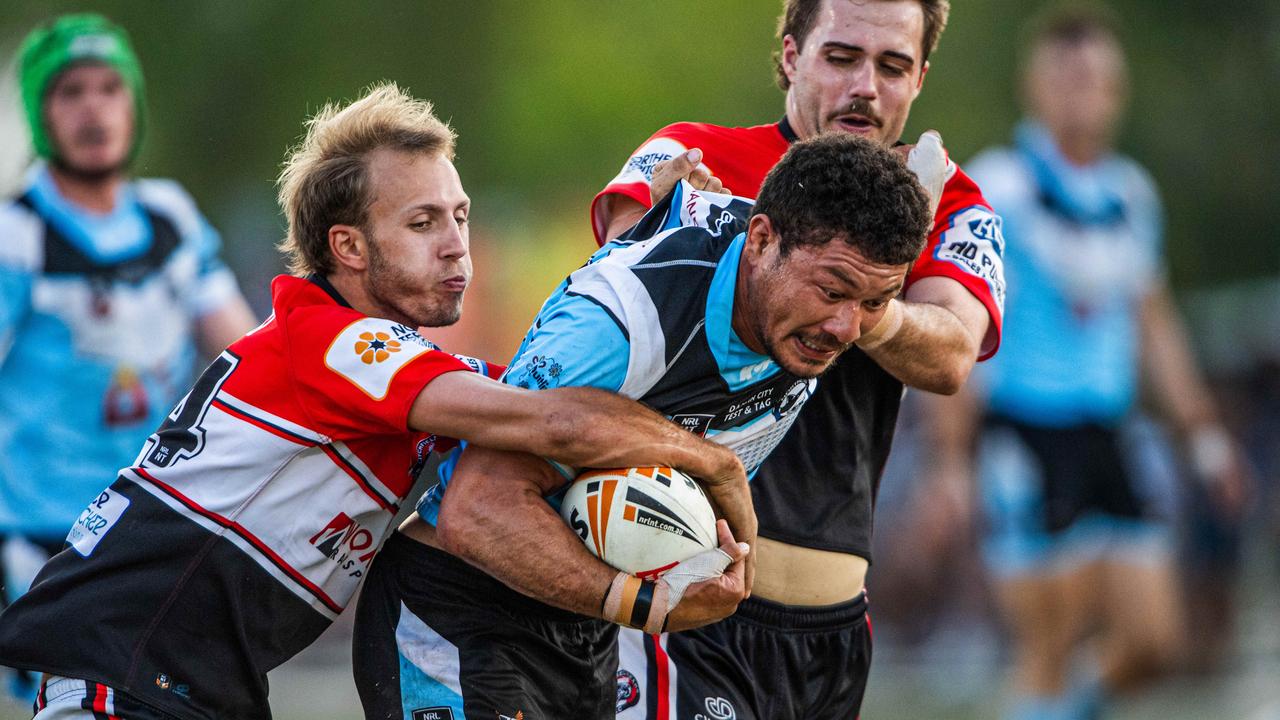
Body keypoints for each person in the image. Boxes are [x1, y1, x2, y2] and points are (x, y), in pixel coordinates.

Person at [0, 82, 758, 720]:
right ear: (349, 248)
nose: (457, 243)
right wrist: (714, 464)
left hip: (181, 686)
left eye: (460, 216)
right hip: (120, 673)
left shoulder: (393, 362)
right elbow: (554, 415)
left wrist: (637, 246)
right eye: (422, 223)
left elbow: (556, 379)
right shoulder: (329, 342)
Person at [351, 133, 934, 719]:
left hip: (589, 632)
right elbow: (474, 510)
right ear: (761, 241)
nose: (845, 328)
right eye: (832, 291)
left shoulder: (802, 312)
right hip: (460, 610)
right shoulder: (623, 319)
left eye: (875, 303)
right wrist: (645, 599)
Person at [589, 1, 1006, 717]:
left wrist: (857, 290)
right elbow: (612, 271)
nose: (865, 87)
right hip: (684, 605)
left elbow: (950, 354)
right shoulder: (692, 152)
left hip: (833, 632)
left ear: (920, 79)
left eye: (892, 66)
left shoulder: (957, 203)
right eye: (841, 58)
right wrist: (742, 247)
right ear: (790, 55)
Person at [928, 6, 1250, 719]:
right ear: (1035, 87)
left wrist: (1203, 434)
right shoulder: (999, 187)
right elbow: (956, 323)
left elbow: (1152, 321)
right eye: (1068, 77)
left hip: (1109, 431)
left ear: (1119, 89)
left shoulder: (1132, 195)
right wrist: (951, 462)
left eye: (1098, 78)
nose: (1085, 92)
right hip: (1025, 433)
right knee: (1049, 644)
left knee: (1153, 640)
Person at [0, 14, 258, 701]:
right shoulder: (16, 236)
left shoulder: (169, 219)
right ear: (40, 112)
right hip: (45, 547)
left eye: (111, 88)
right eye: (71, 91)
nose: (93, 108)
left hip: (153, 528)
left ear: (133, 105)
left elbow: (246, 359)